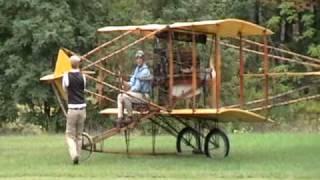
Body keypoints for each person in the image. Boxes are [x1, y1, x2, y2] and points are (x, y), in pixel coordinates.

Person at [116, 50, 152, 128]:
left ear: (143, 59)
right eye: (137, 58)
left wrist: (127, 91)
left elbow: (137, 88)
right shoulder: (137, 70)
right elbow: (131, 83)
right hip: (137, 94)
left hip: (144, 96)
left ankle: (130, 117)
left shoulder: (145, 71)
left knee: (125, 96)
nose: (138, 60)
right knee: (120, 96)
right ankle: (120, 118)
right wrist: (123, 82)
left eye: (140, 58)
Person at [62, 55, 86, 165]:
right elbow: (83, 88)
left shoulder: (66, 76)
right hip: (82, 108)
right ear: (79, 64)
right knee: (79, 135)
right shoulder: (83, 76)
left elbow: (64, 88)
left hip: (72, 108)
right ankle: (78, 156)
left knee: (70, 135)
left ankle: (74, 154)